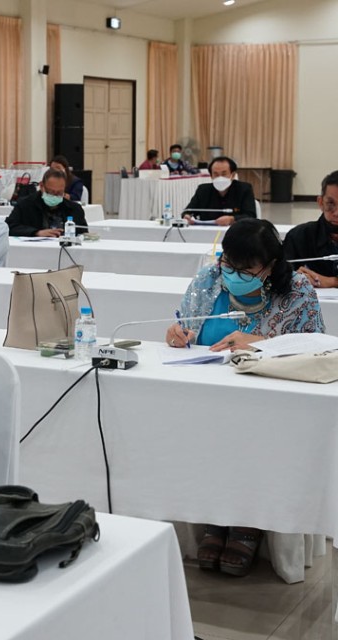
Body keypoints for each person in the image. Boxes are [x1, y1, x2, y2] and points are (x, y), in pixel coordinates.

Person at [166, 218, 324, 576]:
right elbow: (184, 324)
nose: (233, 274)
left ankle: (247, 522)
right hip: (209, 395)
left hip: (268, 403)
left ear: (270, 265)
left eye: (246, 269)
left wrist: (263, 343)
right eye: (229, 264)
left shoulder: (297, 290)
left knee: (250, 437)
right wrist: (176, 334)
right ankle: (215, 517)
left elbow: (318, 349)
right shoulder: (208, 279)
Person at [283, 170, 338, 288]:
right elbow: (279, 277)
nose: (336, 213)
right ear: (321, 202)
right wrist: (294, 278)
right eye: (331, 204)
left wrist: (332, 282)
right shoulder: (298, 237)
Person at [5, 168, 88, 237]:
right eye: (51, 192)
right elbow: (9, 227)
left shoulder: (75, 209)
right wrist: (36, 232)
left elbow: (83, 234)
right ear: (42, 186)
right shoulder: (25, 205)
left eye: (59, 193)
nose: (54, 196)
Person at [182, 156, 257, 226]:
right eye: (216, 174)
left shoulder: (244, 189)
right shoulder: (203, 190)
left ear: (233, 175)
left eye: (224, 174)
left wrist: (232, 219)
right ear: (211, 176)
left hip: (235, 231)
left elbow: (251, 215)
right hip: (207, 231)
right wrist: (187, 216)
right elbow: (188, 210)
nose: (220, 178)